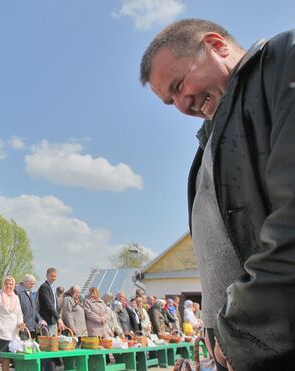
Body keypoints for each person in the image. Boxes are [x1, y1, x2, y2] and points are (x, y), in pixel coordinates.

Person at [141, 18, 295, 369]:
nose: (182, 106)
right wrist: (215, 340)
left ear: (216, 45)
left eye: (180, 85)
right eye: (171, 100)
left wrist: (242, 328)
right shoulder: (214, 137)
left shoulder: (284, 62)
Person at [0, 276, 24, 371]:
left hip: (12, 334)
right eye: (6, 283)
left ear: (13, 285)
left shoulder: (16, 298)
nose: (8, 285)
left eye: (10, 284)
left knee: (7, 358)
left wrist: (20, 323)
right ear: (3, 284)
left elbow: (19, 313)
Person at [14, 274, 46, 339]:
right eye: (31, 284)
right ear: (25, 282)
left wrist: (40, 320)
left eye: (33, 284)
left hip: (31, 328)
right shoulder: (17, 291)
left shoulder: (29, 291)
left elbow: (34, 309)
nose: (33, 286)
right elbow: (15, 310)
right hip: (22, 328)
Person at [37, 267, 65, 335]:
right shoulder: (44, 287)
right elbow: (48, 304)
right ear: (47, 275)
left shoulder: (52, 287)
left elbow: (54, 304)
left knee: (52, 342)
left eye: (55, 276)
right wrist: (58, 318)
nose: (54, 278)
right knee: (47, 342)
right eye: (52, 276)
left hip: (52, 319)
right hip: (47, 319)